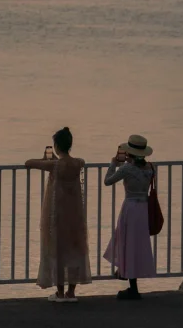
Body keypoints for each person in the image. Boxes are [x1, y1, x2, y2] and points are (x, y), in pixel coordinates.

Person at [25, 127, 92, 301]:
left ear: (56, 145)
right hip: (75, 215)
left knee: (59, 250)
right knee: (75, 250)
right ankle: (71, 292)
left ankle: (60, 293)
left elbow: (28, 162)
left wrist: (45, 159)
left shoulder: (54, 165)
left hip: (58, 215)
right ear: (70, 145)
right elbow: (77, 161)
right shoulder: (79, 163)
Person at [103, 134, 157, 300]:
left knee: (127, 242)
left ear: (129, 152)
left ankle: (132, 286)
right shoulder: (150, 168)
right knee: (137, 243)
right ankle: (125, 274)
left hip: (130, 208)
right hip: (143, 208)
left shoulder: (127, 169)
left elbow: (108, 181)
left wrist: (113, 164)